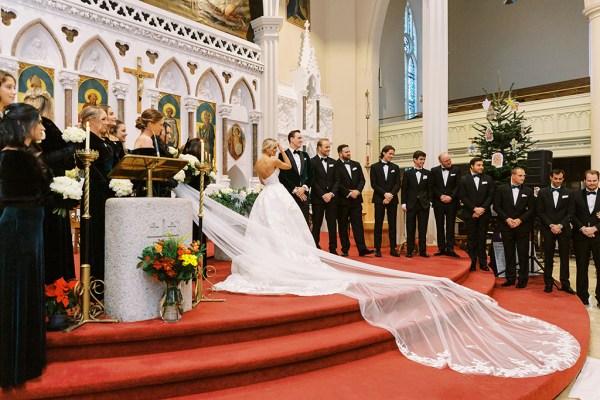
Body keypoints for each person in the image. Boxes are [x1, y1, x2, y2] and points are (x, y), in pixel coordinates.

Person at [173, 138, 580, 378]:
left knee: (278, 235)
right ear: (273, 148)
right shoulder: (275, 159)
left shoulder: (260, 162)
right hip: (281, 196)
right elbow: (286, 171)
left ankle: (278, 262)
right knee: (290, 234)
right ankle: (293, 262)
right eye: (278, 147)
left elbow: (276, 173)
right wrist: (283, 157)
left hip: (270, 198)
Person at [0, 102, 50, 387]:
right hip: (19, 226)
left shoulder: (25, 154)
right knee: (17, 290)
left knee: (29, 288)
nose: (42, 127)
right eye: (38, 122)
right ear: (23, 126)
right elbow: (23, 192)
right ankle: (15, 363)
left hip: (30, 224)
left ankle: (30, 357)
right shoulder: (13, 157)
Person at [24, 86, 77, 284]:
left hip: (41, 189)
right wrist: (72, 148)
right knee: (53, 240)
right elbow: (46, 158)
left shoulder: (24, 128)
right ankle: (55, 287)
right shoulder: (46, 124)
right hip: (52, 188)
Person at [79, 106, 112, 281]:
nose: (107, 122)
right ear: (91, 121)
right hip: (96, 190)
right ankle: (95, 280)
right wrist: (107, 183)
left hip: (106, 190)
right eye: (104, 119)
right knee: (96, 233)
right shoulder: (87, 140)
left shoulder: (102, 139)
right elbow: (92, 168)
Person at [537, 169, 576, 294]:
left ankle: (565, 284)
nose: (558, 181)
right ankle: (548, 283)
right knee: (548, 257)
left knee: (565, 258)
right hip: (548, 230)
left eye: (560, 179)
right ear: (551, 177)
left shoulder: (569, 192)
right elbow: (540, 211)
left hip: (564, 229)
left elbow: (571, 212)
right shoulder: (542, 192)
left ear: (563, 179)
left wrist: (560, 225)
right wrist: (551, 225)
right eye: (555, 178)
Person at [495, 167, 535, 288]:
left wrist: (520, 220)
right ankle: (510, 278)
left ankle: (523, 279)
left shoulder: (528, 191)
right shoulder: (501, 189)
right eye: (520, 176)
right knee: (509, 253)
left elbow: (532, 209)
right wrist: (507, 219)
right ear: (513, 175)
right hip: (506, 226)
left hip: (522, 227)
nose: (523, 178)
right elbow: (497, 206)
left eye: (524, 176)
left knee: (523, 253)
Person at [335, 144, 374, 257]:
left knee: (358, 225)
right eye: (346, 152)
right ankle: (345, 249)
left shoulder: (356, 164)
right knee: (343, 226)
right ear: (340, 153)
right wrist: (348, 193)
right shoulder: (335, 165)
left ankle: (362, 249)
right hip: (343, 201)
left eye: (349, 151)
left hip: (356, 200)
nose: (349, 153)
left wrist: (357, 191)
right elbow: (337, 183)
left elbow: (362, 180)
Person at [458, 157, 494, 272]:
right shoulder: (463, 179)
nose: (481, 167)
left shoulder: (488, 179)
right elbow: (463, 196)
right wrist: (474, 209)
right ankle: (472, 262)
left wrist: (482, 209)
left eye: (482, 165)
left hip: (484, 214)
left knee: (482, 238)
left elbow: (491, 196)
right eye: (478, 165)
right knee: (472, 239)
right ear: (472, 166)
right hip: (470, 214)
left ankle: (483, 263)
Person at [572, 170, 600, 306]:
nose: (592, 183)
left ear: (598, 180)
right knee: (581, 266)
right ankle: (582, 296)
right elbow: (572, 214)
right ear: (584, 180)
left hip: (599, 236)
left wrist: (595, 228)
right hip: (580, 236)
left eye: (594, 180)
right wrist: (583, 228)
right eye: (589, 180)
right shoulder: (575, 195)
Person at [132, 109, 173, 197]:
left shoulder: (146, 138)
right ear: (151, 124)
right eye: (160, 125)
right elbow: (151, 167)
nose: (162, 128)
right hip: (148, 186)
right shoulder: (146, 140)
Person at [370, 145, 400, 257]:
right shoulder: (374, 167)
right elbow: (374, 184)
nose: (391, 156)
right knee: (378, 224)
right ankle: (377, 249)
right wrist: (384, 194)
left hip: (392, 199)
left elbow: (397, 184)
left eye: (393, 154)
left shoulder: (395, 167)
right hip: (379, 198)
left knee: (393, 224)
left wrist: (391, 195)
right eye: (390, 153)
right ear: (383, 153)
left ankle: (393, 248)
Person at [310, 138, 339, 254]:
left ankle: (333, 248)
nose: (328, 149)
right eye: (326, 147)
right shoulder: (312, 162)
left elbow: (337, 180)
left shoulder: (334, 162)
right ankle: (315, 246)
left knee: (332, 224)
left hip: (332, 199)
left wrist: (331, 194)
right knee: (316, 224)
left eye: (329, 147)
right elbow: (313, 180)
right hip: (318, 198)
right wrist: (323, 194)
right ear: (319, 148)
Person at [278, 130, 314, 224]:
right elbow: (282, 176)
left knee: (304, 224)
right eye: (299, 138)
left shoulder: (305, 155)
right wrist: (295, 190)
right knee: (290, 224)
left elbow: (311, 175)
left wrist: (304, 188)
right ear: (291, 139)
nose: (301, 140)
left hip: (304, 196)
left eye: (301, 138)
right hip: (289, 195)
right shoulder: (282, 155)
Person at [401, 150, 431, 258]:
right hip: (411, 204)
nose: (422, 161)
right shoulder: (408, 173)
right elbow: (404, 189)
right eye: (420, 159)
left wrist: (429, 201)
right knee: (410, 228)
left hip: (424, 205)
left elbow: (430, 189)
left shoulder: (428, 173)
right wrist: (403, 203)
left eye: (424, 159)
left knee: (423, 229)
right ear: (414, 159)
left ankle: (423, 251)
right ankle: (410, 250)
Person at [430, 152, 461, 258]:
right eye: (446, 161)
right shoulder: (434, 171)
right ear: (440, 161)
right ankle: (441, 248)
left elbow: (458, 186)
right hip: (439, 203)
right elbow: (432, 186)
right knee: (439, 225)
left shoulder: (456, 170)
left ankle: (450, 248)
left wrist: (451, 197)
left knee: (450, 226)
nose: (449, 162)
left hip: (452, 203)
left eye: (449, 160)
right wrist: (441, 196)